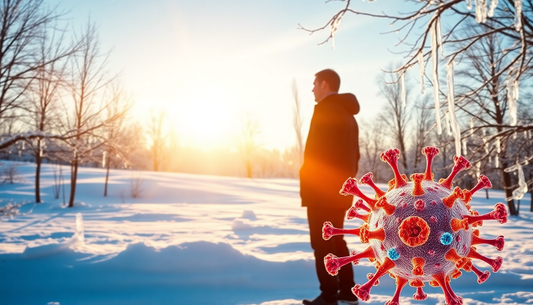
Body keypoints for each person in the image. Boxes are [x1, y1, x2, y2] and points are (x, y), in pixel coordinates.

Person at [300, 69, 360, 305]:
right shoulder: (349, 115)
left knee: (322, 242)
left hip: (321, 192)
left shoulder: (325, 110)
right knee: (336, 239)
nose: (312, 88)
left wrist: (312, 184)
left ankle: (328, 296)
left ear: (324, 84)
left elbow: (318, 155)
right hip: (340, 192)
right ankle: (346, 291)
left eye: (314, 83)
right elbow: (354, 156)